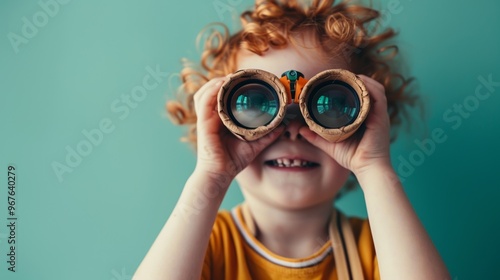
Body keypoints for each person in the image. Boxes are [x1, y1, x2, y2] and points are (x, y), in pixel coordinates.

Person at [133, 0, 450, 279]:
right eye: (258, 103)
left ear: (365, 124)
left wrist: (375, 169)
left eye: (333, 105)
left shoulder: (381, 245)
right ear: (219, 122)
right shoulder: (204, 242)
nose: (292, 128)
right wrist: (210, 178)